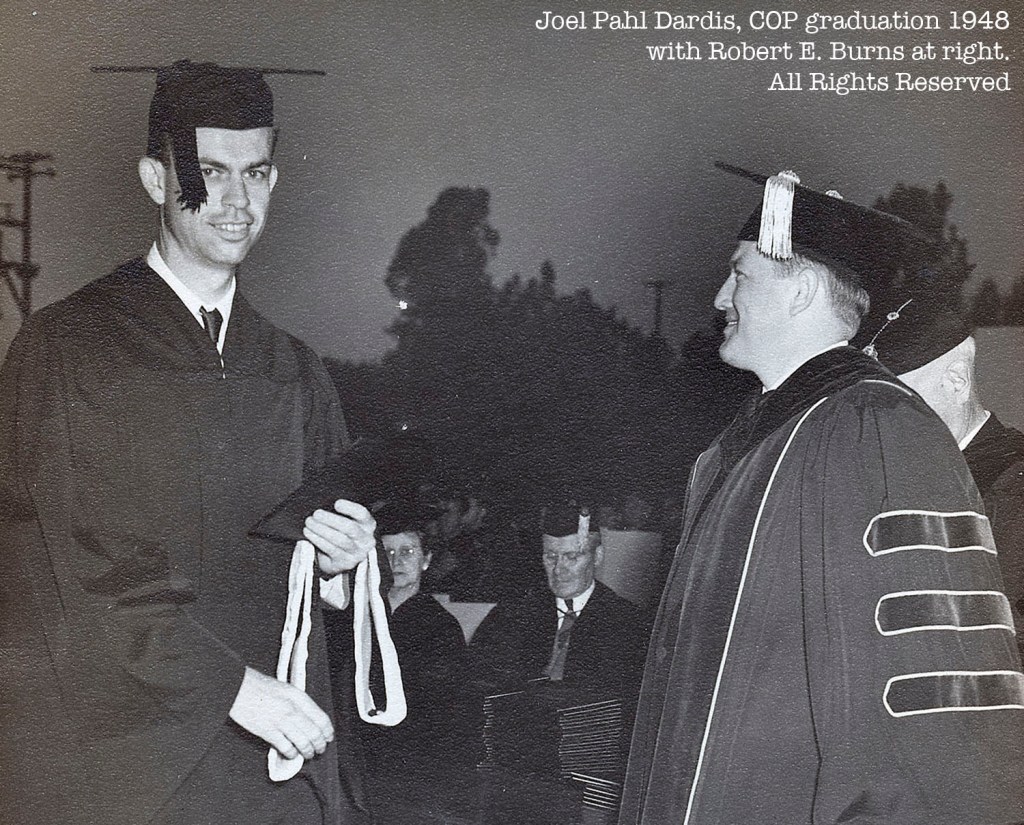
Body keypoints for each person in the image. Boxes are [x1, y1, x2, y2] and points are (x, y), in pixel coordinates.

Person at [0, 60, 378, 825]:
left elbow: (309, 581)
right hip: (134, 775)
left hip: (278, 773)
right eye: (209, 172)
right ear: (155, 178)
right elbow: (71, 571)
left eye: (256, 172)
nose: (237, 201)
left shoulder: (294, 371)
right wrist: (231, 687)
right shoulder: (71, 348)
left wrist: (342, 569)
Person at [618, 167, 1024, 825]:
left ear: (802, 291)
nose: (720, 297)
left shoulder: (876, 426)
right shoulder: (734, 448)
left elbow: (933, 702)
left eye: (740, 275)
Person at [855, 292, 1024, 662]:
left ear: (957, 380)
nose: (879, 424)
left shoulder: (1012, 482)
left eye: (896, 401)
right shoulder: (881, 481)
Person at [345, 498, 475, 824]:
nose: (396, 561)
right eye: (387, 552)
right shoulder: (356, 618)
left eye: (408, 551)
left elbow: (442, 714)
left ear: (426, 560)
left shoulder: (441, 628)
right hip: (357, 758)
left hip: (411, 766)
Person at [473, 500, 647, 696]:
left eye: (572, 557)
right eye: (551, 557)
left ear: (597, 556)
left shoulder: (627, 622)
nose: (558, 570)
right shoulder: (512, 615)